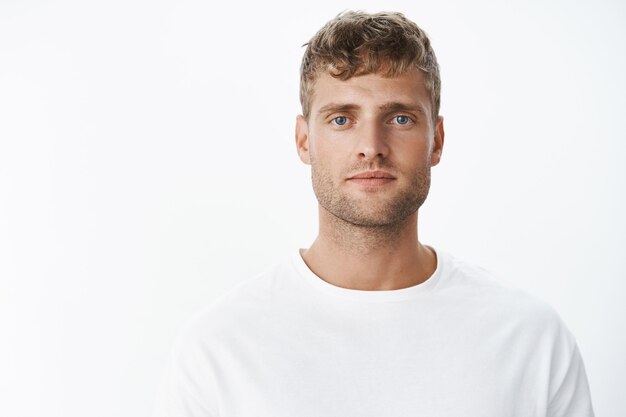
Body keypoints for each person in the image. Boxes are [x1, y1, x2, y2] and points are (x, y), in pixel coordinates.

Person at [153, 11, 594, 417]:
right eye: (342, 119)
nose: (372, 146)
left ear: (436, 140)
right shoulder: (219, 350)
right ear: (304, 140)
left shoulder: (530, 340)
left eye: (400, 118)